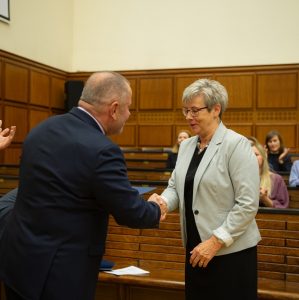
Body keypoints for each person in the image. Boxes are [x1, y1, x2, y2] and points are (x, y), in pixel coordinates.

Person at [0, 72, 167, 300]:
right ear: (114, 108)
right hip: (60, 276)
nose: (129, 114)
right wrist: (157, 209)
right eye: (128, 108)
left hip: (18, 265)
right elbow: (131, 213)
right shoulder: (102, 150)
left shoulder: (41, 130)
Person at [151, 79, 261, 300]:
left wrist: (215, 241)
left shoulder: (236, 145)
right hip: (196, 250)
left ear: (216, 110)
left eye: (194, 110)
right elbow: (175, 186)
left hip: (229, 253)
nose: (188, 117)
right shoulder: (186, 146)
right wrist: (162, 202)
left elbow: (248, 204)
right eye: (186, 110)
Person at [248, 137, 289, 208]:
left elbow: (283, 207)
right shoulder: (238, 178)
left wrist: (265, 199)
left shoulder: (276, 179)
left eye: (256, 155)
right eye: (249, 155)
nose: (253, 158)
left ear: (263, 157)